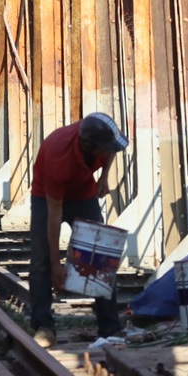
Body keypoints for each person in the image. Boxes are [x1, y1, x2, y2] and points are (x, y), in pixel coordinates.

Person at [29, 113, 129, 348]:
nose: (106, 153)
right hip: (47, 198)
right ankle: (44, 326)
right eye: (102, 151)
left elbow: (112, 148)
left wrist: (104, 177)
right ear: (87, 146)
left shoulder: (100, 138)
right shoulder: (58, 157)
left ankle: (109, 328)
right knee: (41, 261)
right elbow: (54, 217)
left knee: (100, 257)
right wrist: (57, 266)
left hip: (83, 192)